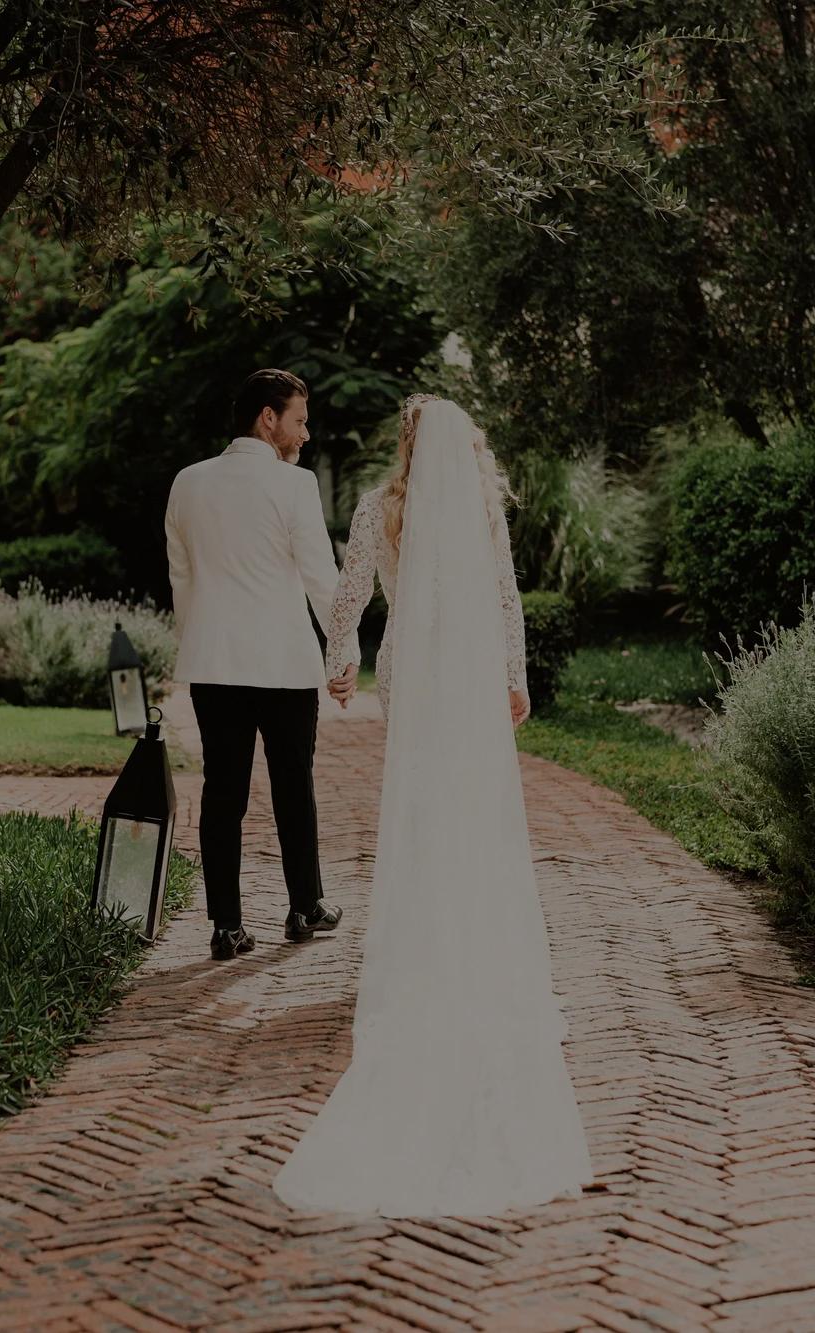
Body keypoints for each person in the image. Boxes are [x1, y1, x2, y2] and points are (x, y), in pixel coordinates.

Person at [270, 394, 592, 1218]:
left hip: (411, 676)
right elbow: (508, 596)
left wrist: (340, 661)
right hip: (468, 677)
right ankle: (477, 943)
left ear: (405, 443)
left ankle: (421, 942)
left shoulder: (380, 506)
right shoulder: (481, 509)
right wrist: (514, 674)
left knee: (418, 809)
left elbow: (350, 596)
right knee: (476, 813)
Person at [164, 368, 355, 962]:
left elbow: (183, 579)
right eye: (299, 419)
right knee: (292, 786)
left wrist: (198, 642)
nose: (306, 431)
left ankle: (225, 927)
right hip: (283, 664)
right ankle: (305, 908)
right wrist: (343, 653)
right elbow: (323, 579)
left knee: (222, 793)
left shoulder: (187, 483)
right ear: (267, 418)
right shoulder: (292, 486)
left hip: (213, 662)